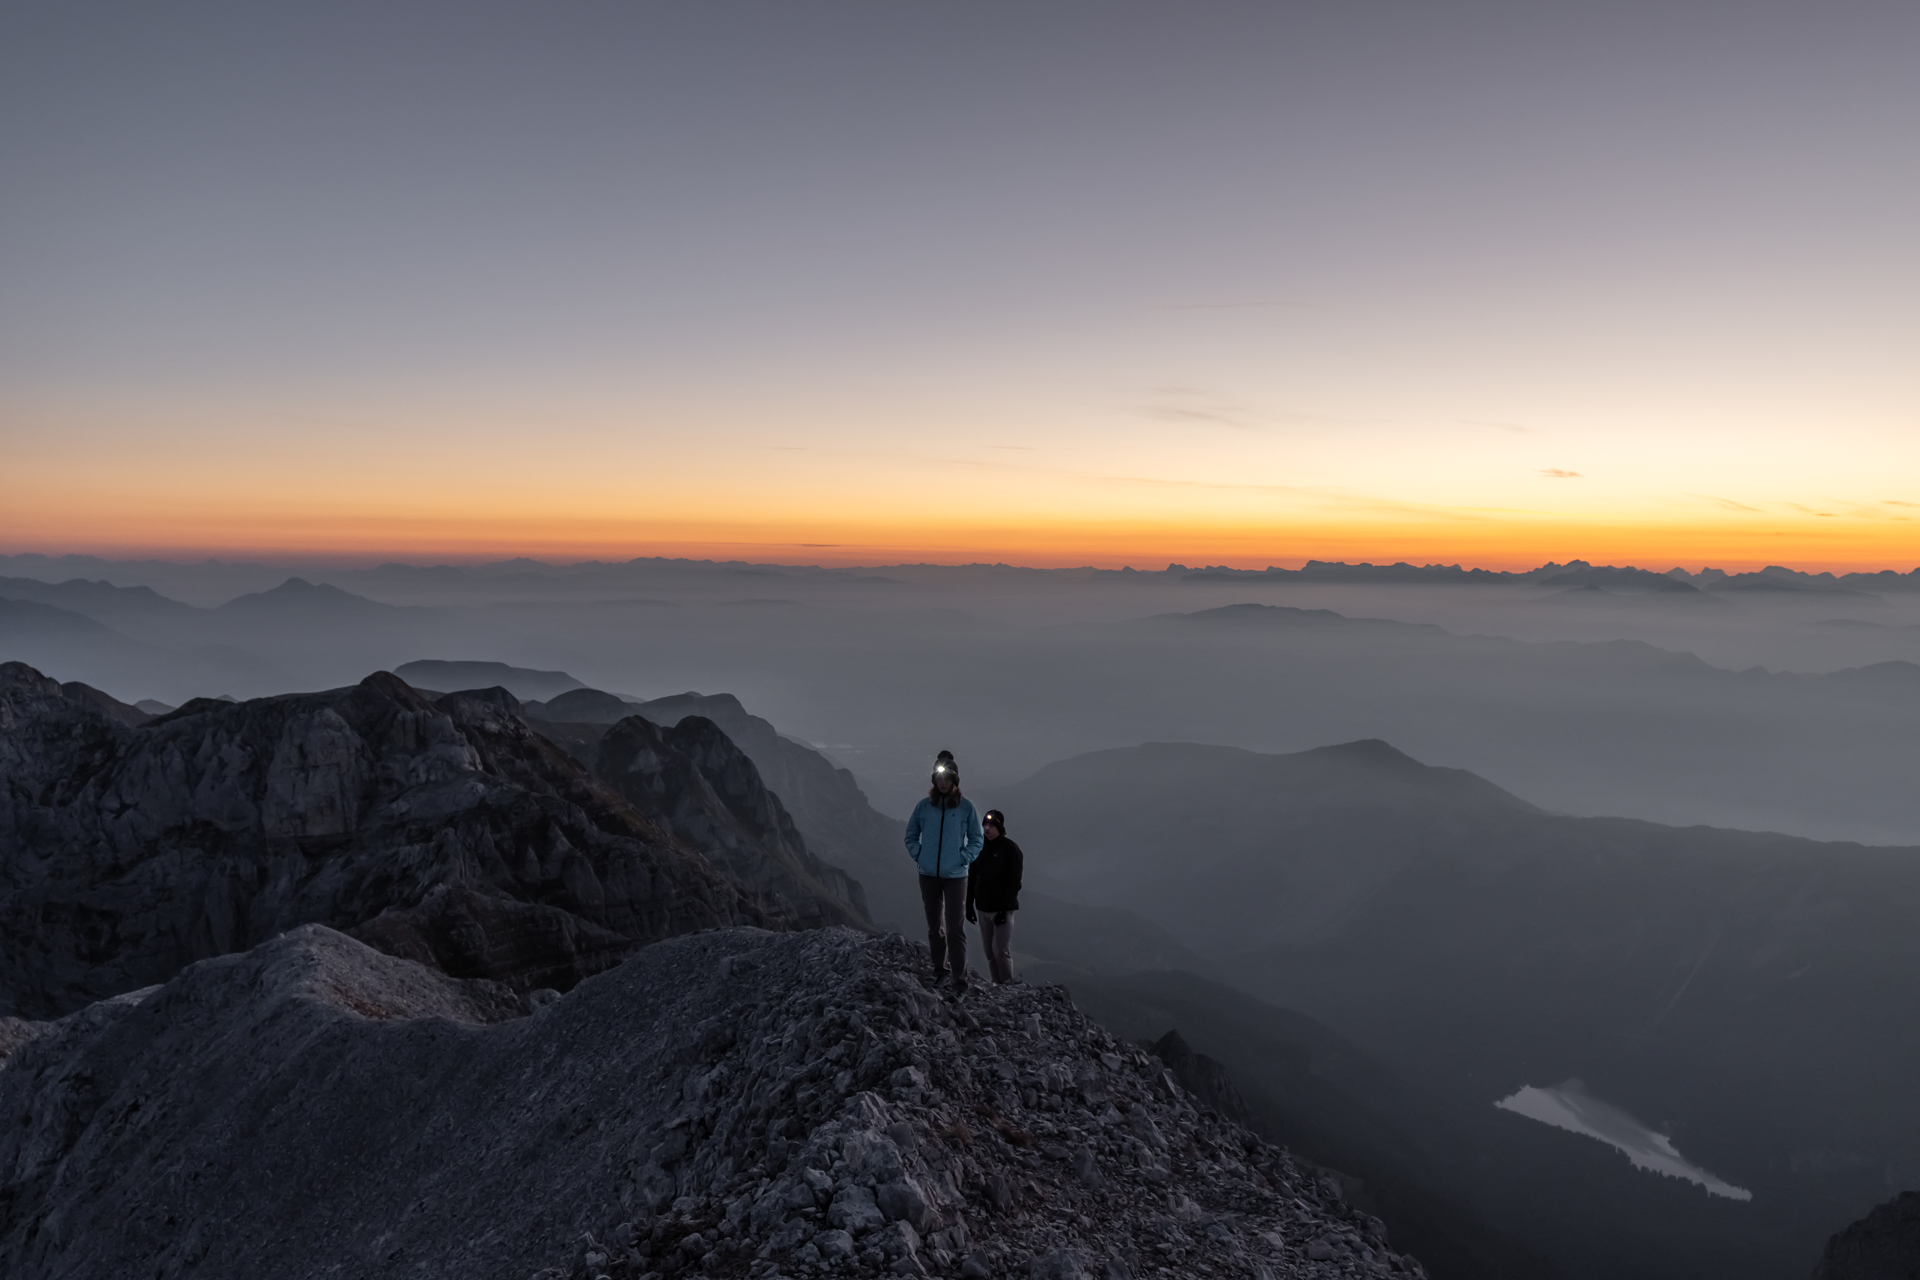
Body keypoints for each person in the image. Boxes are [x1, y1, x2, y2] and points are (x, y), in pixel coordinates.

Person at [902, 750, 984, 995]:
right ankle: (940, 971)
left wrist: (963, 859)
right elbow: (910, 835)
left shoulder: (967, 808)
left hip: (956, 877)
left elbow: (977, 839)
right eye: (939, 778)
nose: (943, 782)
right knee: (934, 927)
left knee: (955, 929)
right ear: (934, 780)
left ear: (955, 780)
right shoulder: (924, 807)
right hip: (928, 875)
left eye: (947, 778)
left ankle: (960, 983)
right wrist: (920, 855)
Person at [966, 808, 1023, 984]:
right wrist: (968, 904)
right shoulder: (979, 848)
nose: (987, 829)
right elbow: (972, 877)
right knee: (990, 952)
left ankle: (1007, 986)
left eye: (991, 825)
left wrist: (1004, 910)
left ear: (1000, 827)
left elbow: (1014, 882)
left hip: (1002, 911)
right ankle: (997, 986)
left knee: (1000, 951)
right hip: (983, 908)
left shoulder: (1010, 849)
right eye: (985, 825)